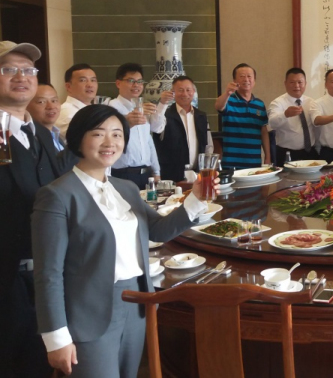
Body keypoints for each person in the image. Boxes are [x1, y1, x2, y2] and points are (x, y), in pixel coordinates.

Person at [32, 104, 216, 378]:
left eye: (117, 134)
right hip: (88, 312)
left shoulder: (126, 188)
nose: (110, 142)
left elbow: (158, 230)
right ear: (79, 139)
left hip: (135, 302)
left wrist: (196, 199)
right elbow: (48, 273)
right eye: (98, 134)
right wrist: (56, 336)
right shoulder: (57, 195)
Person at [0, 41, 63, 377]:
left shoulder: (42, 133)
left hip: (46, 277)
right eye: (8, 69)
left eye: (28, 70)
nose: (20, 76)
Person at [107, 63, 161, 188]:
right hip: (122, 174)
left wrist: (156, 171)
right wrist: (128, 120)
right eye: (131, 81)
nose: (136, 85)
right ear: (118, 83)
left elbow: (148, 141)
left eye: (140, 81)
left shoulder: (142, 108)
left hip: (146, 174)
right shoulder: (111, 107)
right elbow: (111, 133)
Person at [150, 76, 212, 182]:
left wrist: (207, 168)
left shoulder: (201, 116)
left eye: (188, 90)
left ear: (193, 92)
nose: (185, 94)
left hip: (197, 175)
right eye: (180, 90)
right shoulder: (165, 115)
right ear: (173, 93)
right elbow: (155, 128)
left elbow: (208, 145)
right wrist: (162, 103)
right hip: (171, 176)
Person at [215, 63, 270, 169]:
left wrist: (268, 157)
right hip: (231, 163)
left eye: (249, 76)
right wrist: (227, 93)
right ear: (234, 80)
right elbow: (218, 106)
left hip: (254, 162)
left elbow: (263, 132)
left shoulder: (259, 104)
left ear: (254, 81)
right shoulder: (228, 100)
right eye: (242, 76)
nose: (246, 79)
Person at [268, 68, 317, 166]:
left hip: (310, 152)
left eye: (300, 82)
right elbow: (272, 123)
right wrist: (285, 114)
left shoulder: (311, 102)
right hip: (287, 153)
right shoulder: (278, 103)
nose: (296, 86)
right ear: (285, 83)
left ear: (305, 84)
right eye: (292, 82)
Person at [55, 63, 97, 137]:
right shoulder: (68, 113)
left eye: (93, 80)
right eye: (83, 80)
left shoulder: (92, 109)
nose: (90, 85)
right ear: (68, 86)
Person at [27, 83, 65, 152]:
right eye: (41, 102)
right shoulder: (30, 140)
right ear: (26, 106)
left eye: (54, 101)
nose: (51, 106)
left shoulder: (56, 134)